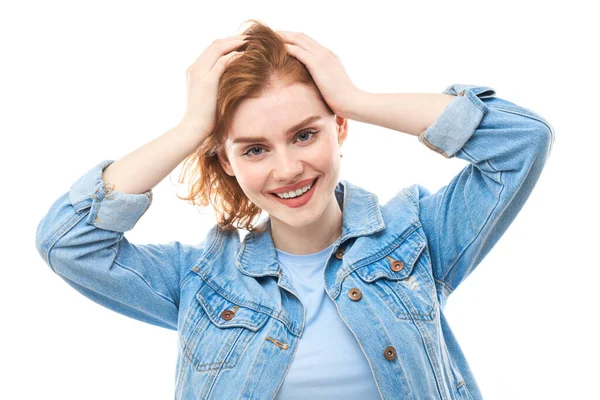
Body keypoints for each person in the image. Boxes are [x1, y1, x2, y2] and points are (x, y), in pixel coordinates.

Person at [35, 19, 554, 400]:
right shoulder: (199, 282)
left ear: (340, 128)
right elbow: (67, 242)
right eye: (254, 148)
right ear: (227, 159)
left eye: (305, 134)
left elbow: (522, 140)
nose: (287, 169)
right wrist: (192, 128)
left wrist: (354, 97)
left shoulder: (418, 239)